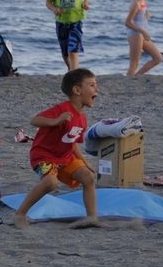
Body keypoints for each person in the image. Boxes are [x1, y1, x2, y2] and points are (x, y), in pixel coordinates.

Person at [13, 68, 101, 229]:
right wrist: (55, 122)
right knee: (50, 183)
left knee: (88, 177)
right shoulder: (62, 109)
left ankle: (91, 218)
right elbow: (35, 120)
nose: (97, 89)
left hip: (65, 158)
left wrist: (84, 161)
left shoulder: (82, 118)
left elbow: (72, 143)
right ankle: (20, 214)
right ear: (77, 90)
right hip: (43, 156)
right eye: (92, 85)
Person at [47, 0, 89, 72]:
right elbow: (48, 2)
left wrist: (86, 2)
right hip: (61, 23)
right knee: (65, 53)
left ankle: (75, 74)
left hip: (76, 21)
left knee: (73, 50)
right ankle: (71, 71)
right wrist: (55, 9)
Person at [125, 0, 163, 76]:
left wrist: (146, 15)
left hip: (141, 34)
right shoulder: (136, 4)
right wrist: (142, 31)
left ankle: (137, 77)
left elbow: (138, 17)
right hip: (136, 35)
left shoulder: (141, 1)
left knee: (158, 58)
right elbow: (128, 23)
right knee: (134, 65)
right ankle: (129, 82)